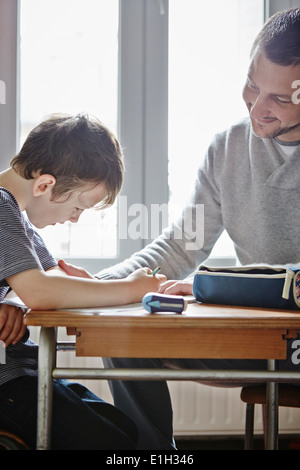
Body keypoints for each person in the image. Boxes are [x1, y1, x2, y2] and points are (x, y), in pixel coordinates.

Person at [59, 8, 300, 449]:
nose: (257, 107)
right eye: (252, 85)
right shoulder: (226, 149)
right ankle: (153, 454)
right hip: (256, 341)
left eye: (280, 99)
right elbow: (179, 246)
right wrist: (99, 285)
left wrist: (212, 286)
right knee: (121, 331)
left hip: (295, 343)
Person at [0, 112, 166, 450]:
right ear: (45, 185)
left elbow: (51, 277)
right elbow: (41, 290)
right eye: (78, 206)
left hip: (22, 375)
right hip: (8, 384)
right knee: (114, 443)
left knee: (124, 429)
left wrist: (17, 298)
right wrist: (130, 289)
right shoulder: (2, 207)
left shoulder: (18, 218)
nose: (74, 219)